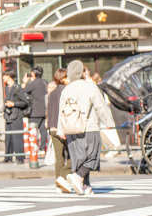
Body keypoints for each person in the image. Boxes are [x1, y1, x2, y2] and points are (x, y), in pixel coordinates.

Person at [57, 60, 115, 195]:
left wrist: (61, 129)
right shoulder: (90, 87)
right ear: (82, 73)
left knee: (79, 158)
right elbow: (100, 106)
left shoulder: (66, 89)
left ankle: (86, 186)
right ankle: (77, 177)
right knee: (93, 156)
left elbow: (61, 111)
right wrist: (108, 123)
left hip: (71, 128)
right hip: (89, 127)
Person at [47, 68, 72, 193]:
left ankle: (58, 186)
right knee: (73, 155)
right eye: (67, 77)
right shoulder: (66, 91)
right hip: (64, 128)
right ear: (62, 78)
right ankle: (62, 177)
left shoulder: (52, 93)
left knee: (59, 158)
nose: (69, 79)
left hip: (52, 127)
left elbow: (50, 111)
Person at [2, 69, 27, 164]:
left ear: (8, 76)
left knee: (17, 138)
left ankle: (20, 158)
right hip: (8, 116)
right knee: (8, 138)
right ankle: (7, 157)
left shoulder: (17, 87)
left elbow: (24, 102)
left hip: (17, 116)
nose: (3, 78)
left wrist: (14, 104)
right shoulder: (6, 87)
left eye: (4, 76)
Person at [22, 66, 48, 154]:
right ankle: (42, 148)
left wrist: (25, 82)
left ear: (33, 73)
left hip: (35, 111)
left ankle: (33, 147)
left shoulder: (34, 83)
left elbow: (23, 90)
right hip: (44, 110)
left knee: (33, 130)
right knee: (43, 130)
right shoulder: (45, 82)